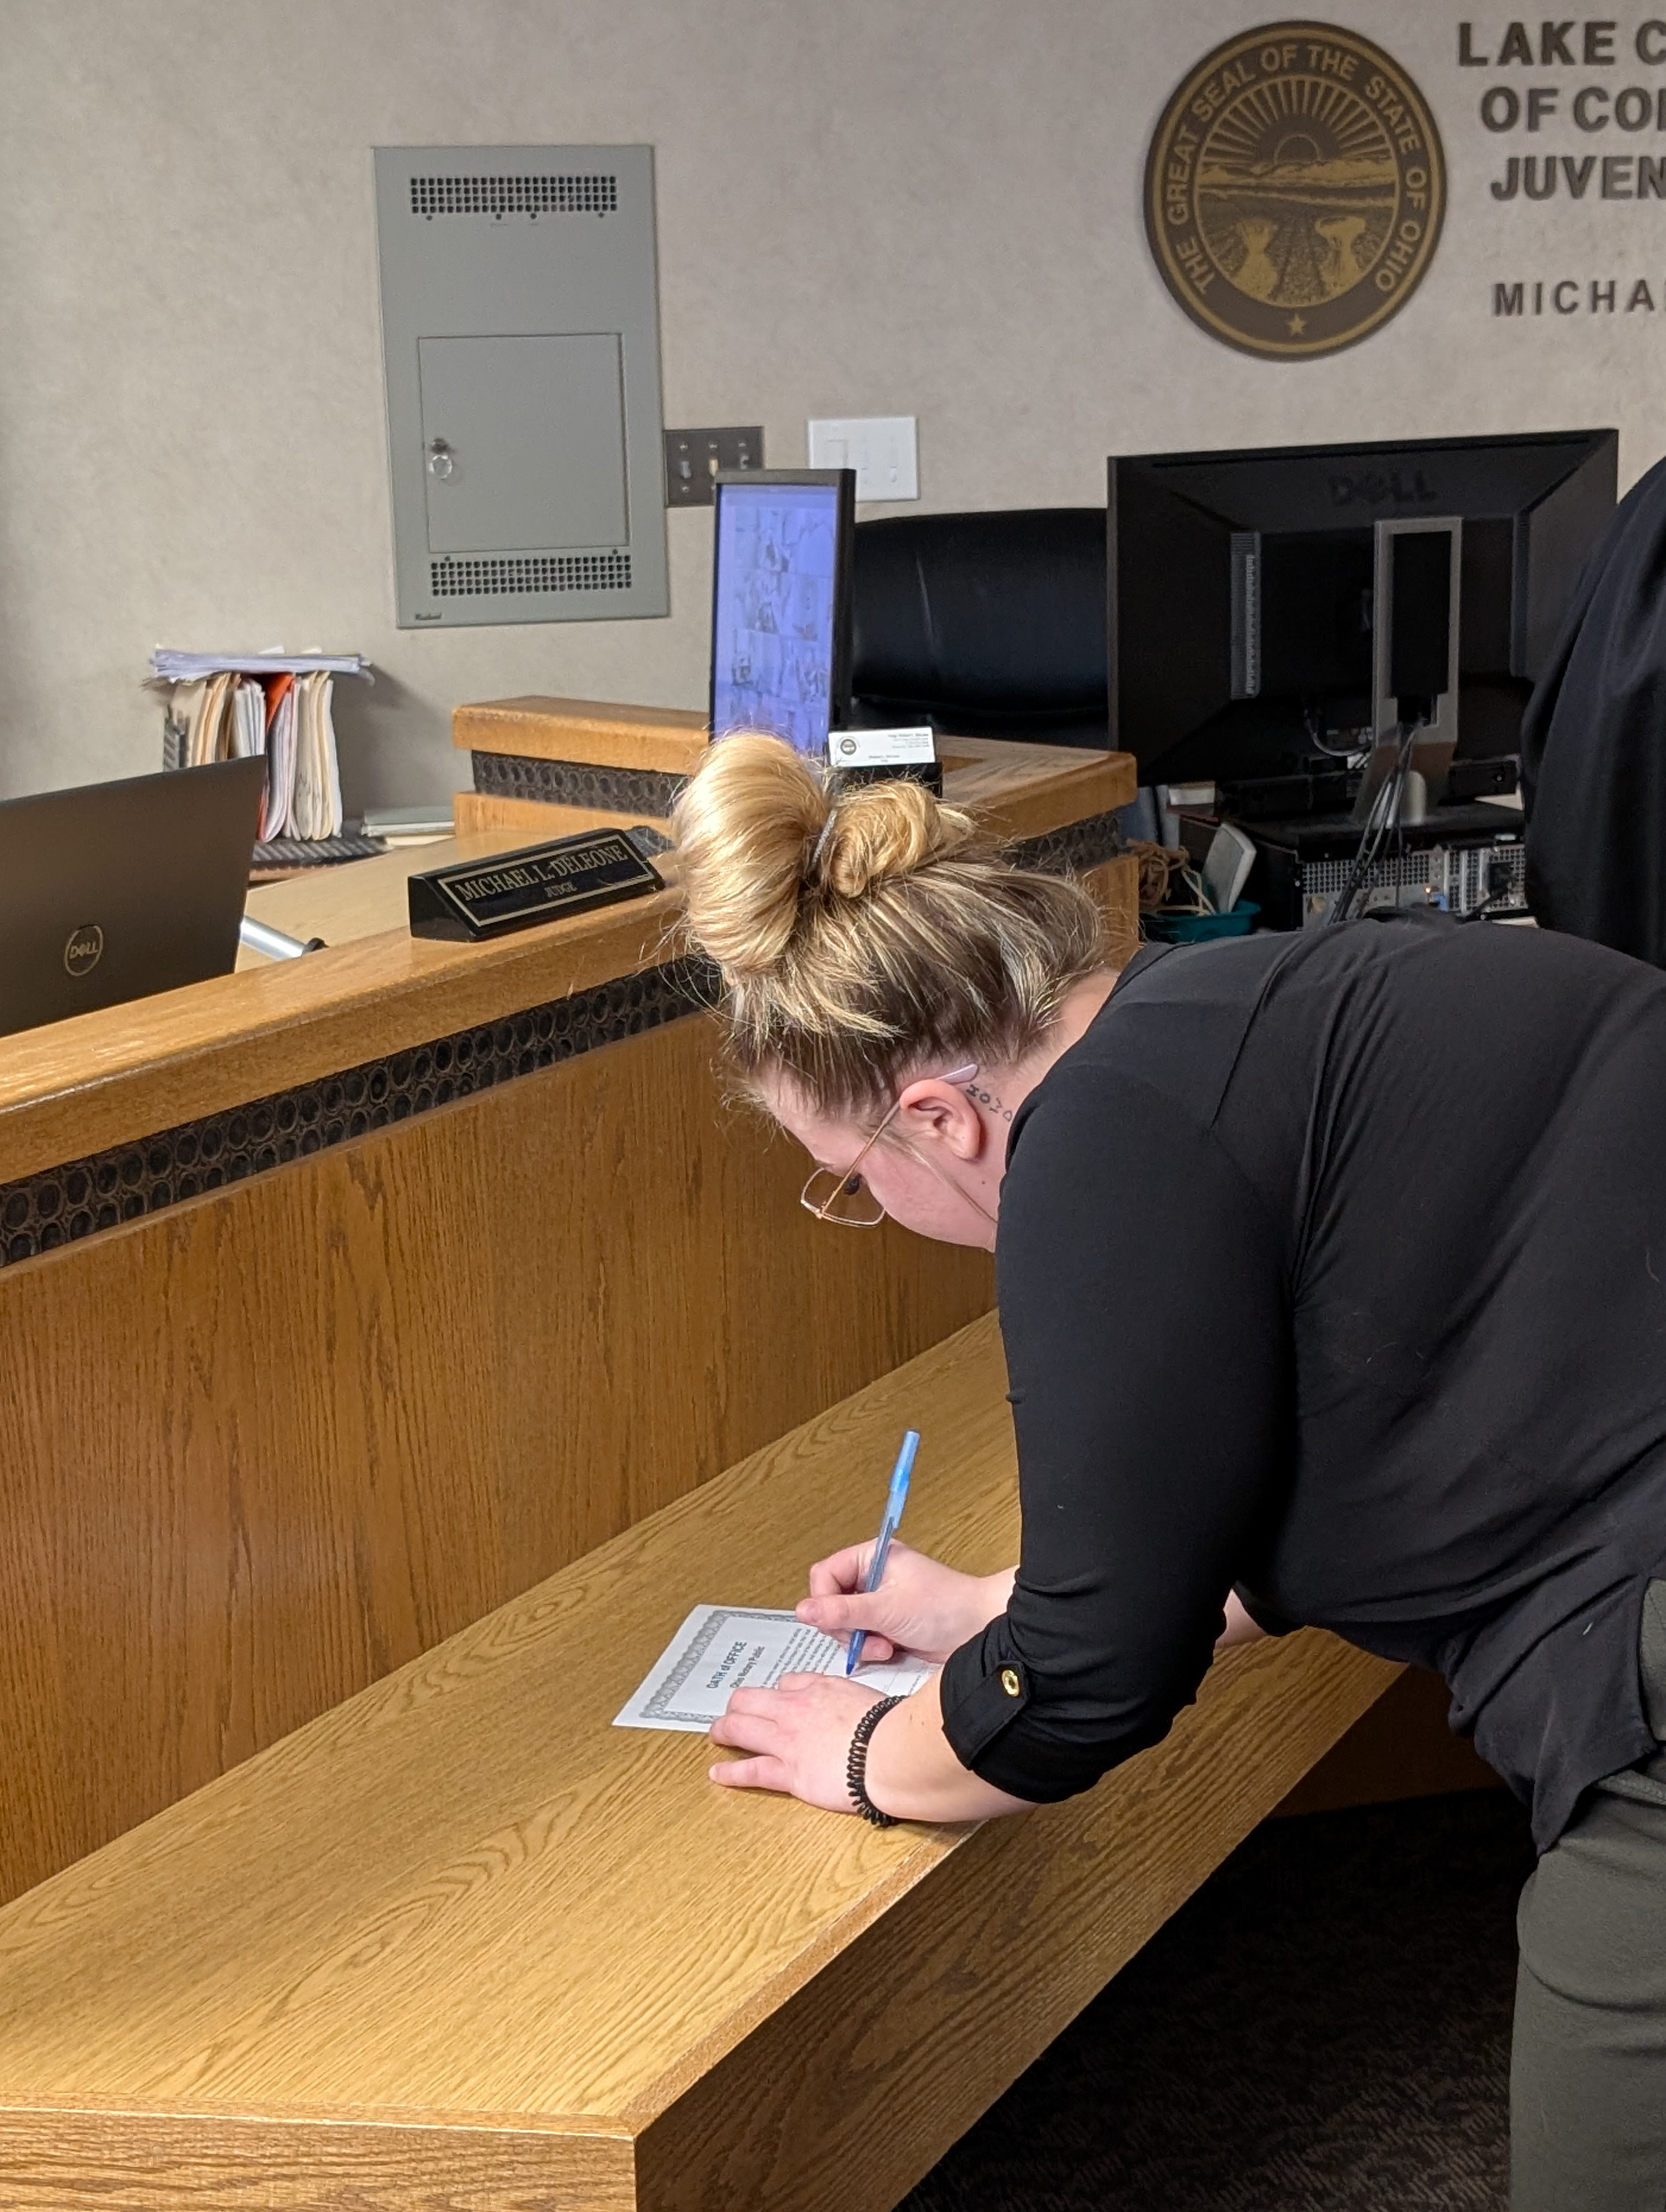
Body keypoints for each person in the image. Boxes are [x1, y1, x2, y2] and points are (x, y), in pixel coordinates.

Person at [670, 731, 1666, 2210]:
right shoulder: (1243, 1003)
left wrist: (868, 1757)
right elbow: (1285, 1468)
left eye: (851, 1177)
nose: (866, 1203)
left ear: (939, 1119)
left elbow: (1086, 1688)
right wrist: (1004, 1602)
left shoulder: (1100, 1152)